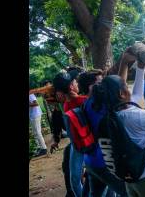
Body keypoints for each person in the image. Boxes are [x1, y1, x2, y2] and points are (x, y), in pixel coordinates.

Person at [91, 49, 145, 197]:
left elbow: (136, 95)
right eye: (125, 85)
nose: (128, 87)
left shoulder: (113, 115)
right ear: (122, 94)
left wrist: (140, 68)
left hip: (132, 176)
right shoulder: (136, 116)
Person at [79, 70, 129, 197]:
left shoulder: (86, 104)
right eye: (101, 83)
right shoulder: (100, 105)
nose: (104, 86)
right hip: (105, 162)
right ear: (91, 87)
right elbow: (119, 88)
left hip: (91, 161)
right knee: (128, 192)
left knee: (95, 193)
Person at [52, 69, 87, 197]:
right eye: (75, 82)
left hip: (81, 145)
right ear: (71, 86)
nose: (77, 84)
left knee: (75, 179)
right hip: (79, 144)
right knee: (75, 178)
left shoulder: (75, 102)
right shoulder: (78, 101)